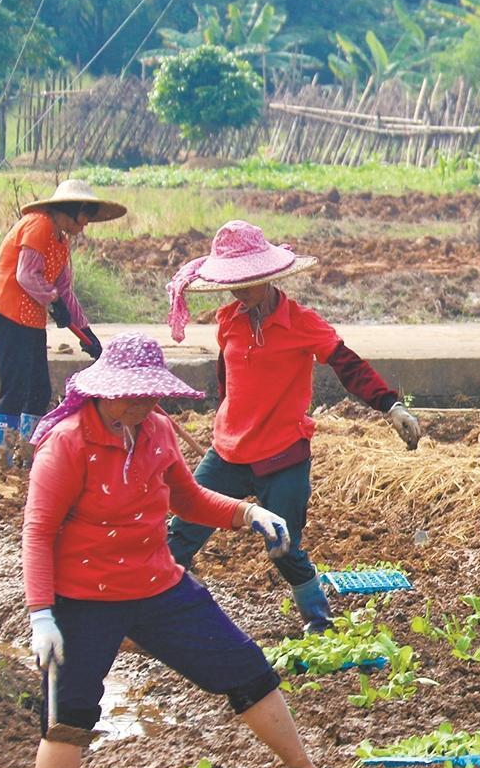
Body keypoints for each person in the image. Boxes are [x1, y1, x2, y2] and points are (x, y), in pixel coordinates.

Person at [23, 333, 324, 768]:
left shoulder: (157, 430)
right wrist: (41, 615)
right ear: (103, 392)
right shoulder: (69, 443)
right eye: (131, 396)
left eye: (148, 396)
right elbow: (38, 531)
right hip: (83, 599)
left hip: (158, 587)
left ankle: (305, 767)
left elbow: (188, 500)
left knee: (247, 669)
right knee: (67, 720)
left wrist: (247, 512)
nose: (141, 406)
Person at [162, 221, 422, 634]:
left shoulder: (300, 323)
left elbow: (348, 366)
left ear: (268, 276)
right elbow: (227, 379)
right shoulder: (229, 320)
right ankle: (156, 619)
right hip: (227, 453)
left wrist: (390, 406)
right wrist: (229, 420)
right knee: (179, 537)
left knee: (282, 547)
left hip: (282, 456)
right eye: (234, 282)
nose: (240, 291)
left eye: (248, 281)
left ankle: (319, 622)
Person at [0, 178, 123, 462]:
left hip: (31, 320)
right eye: (84, 218)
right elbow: (26, 275)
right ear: (72, 209)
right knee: (15, 388)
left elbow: (65, 292)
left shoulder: (61, 242)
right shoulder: (39, 225)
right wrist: (53, 300)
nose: (84, 226)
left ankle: (28, 454)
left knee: (39, 390)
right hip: (7, 315)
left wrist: (87, 333)